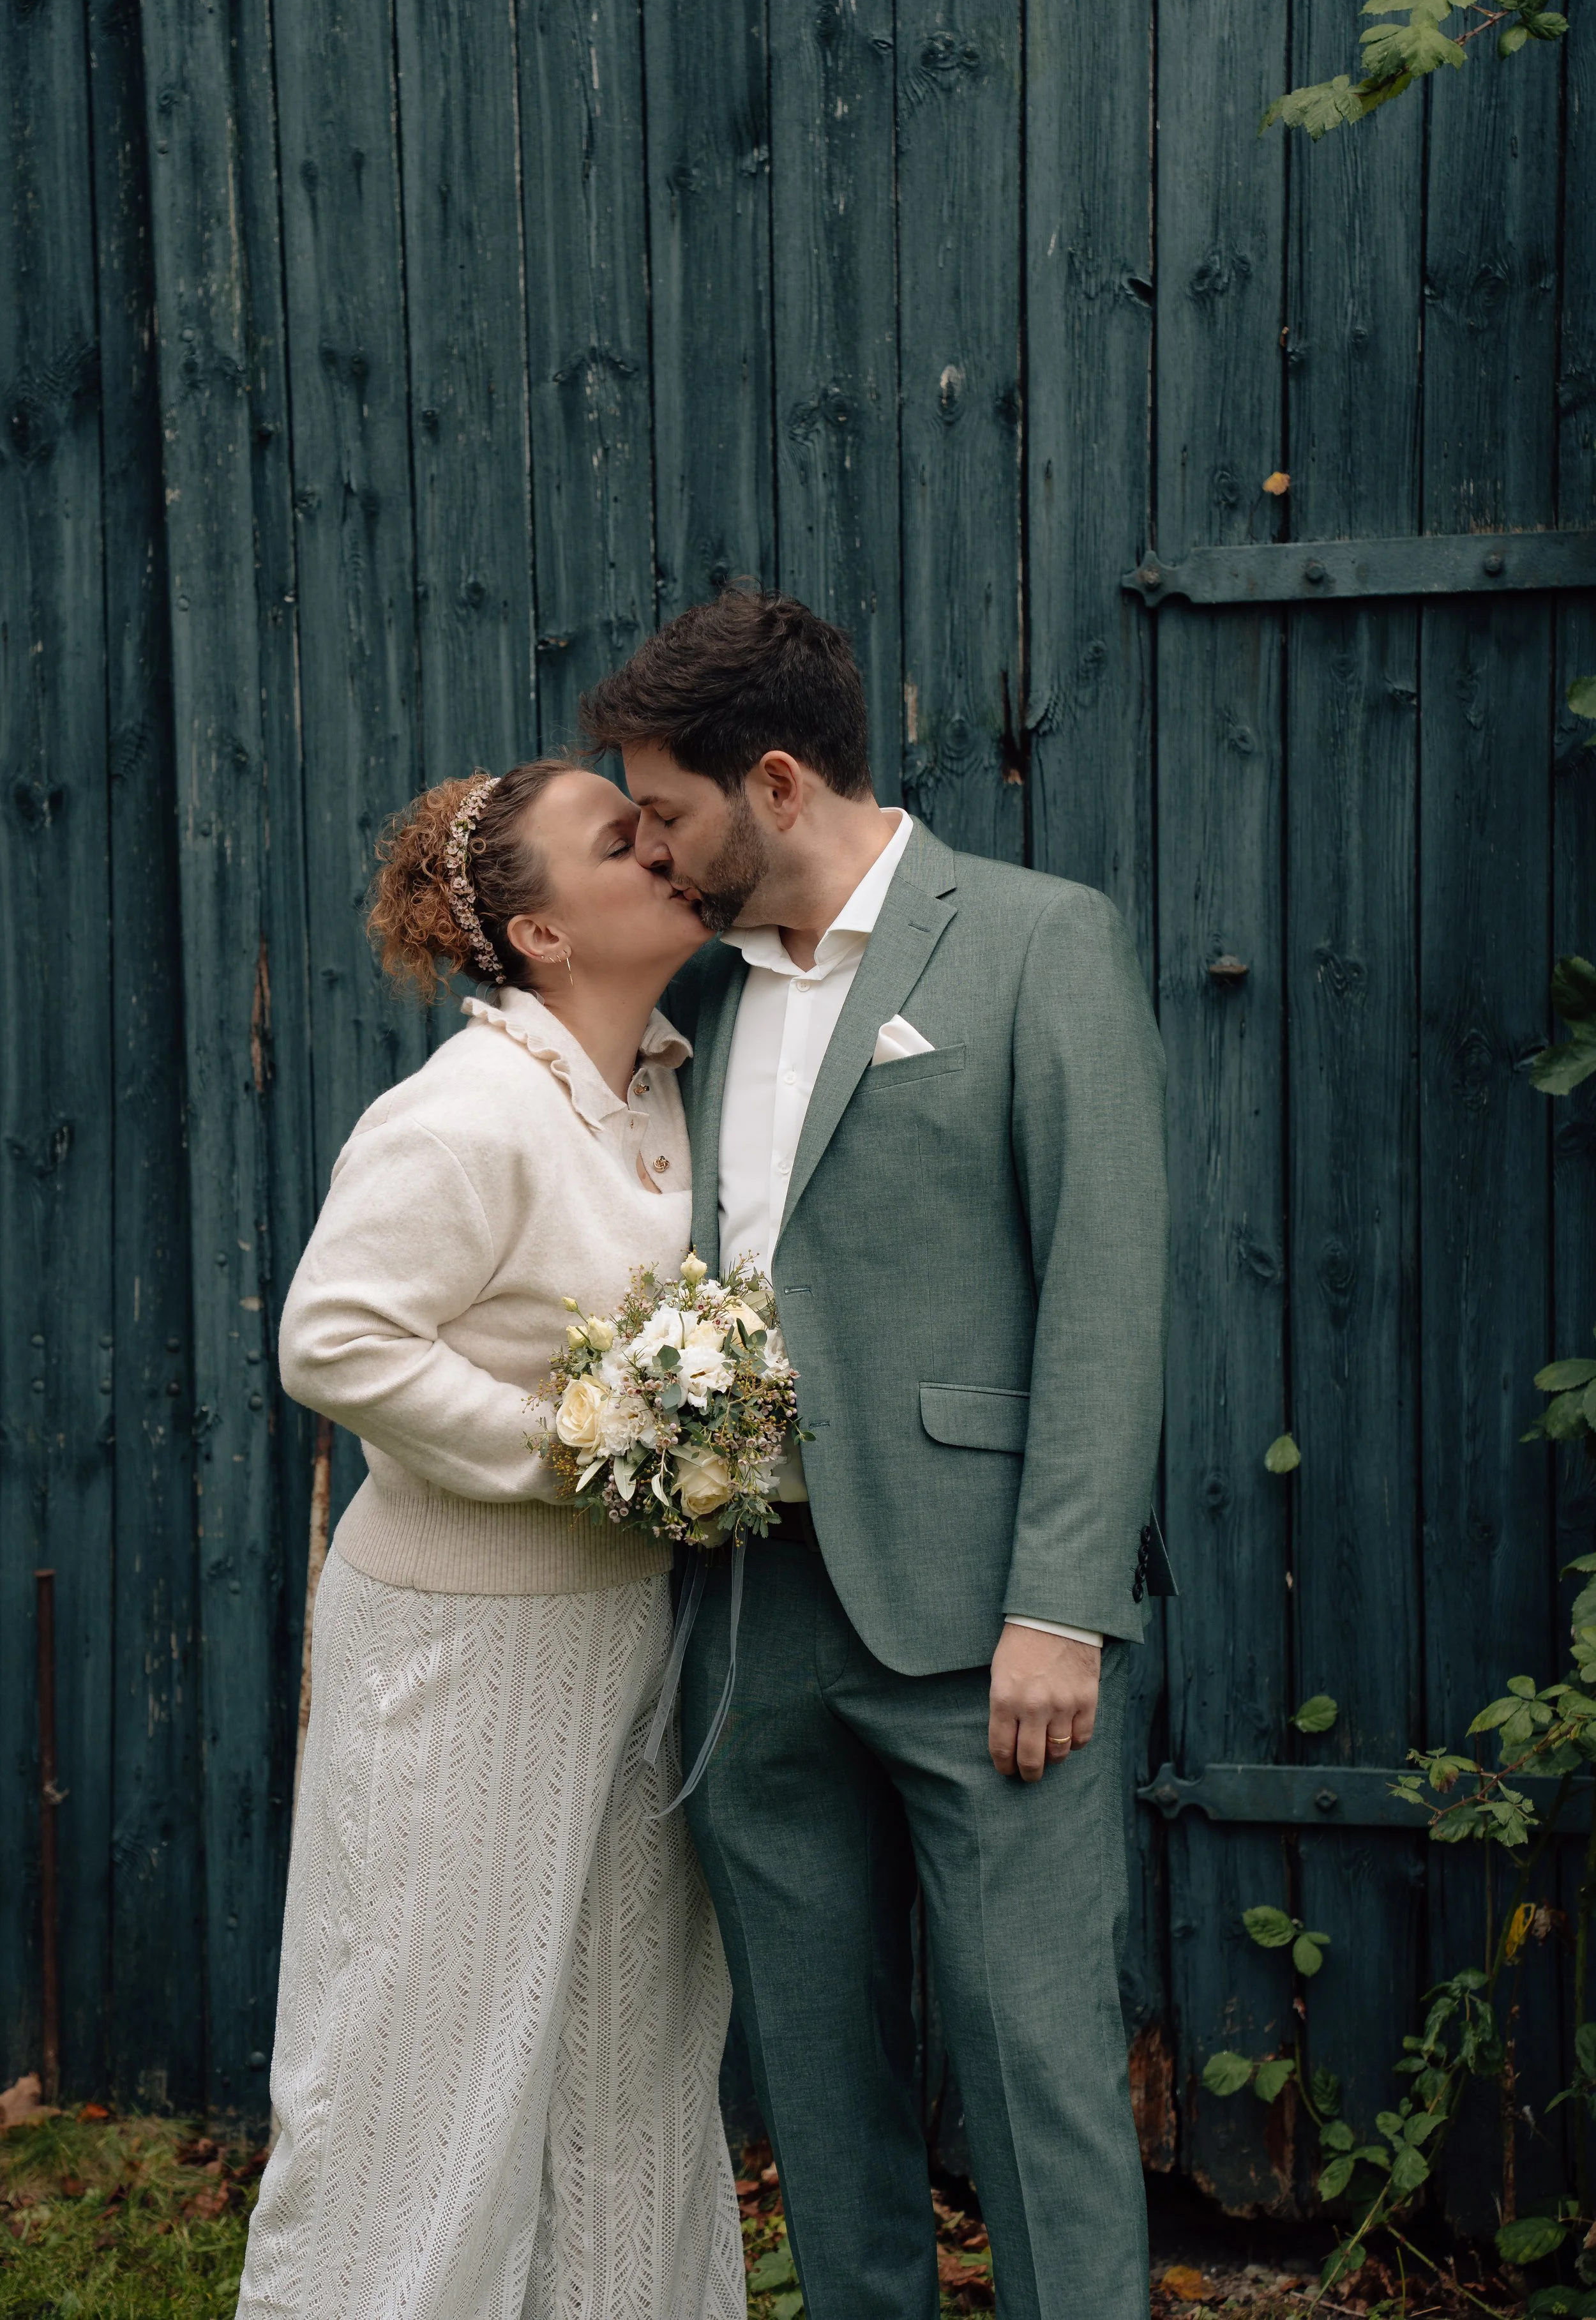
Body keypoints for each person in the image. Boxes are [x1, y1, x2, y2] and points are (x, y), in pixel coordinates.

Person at [582, 588, 1171, 2320]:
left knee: (1032, 2071)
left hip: (981, 1623)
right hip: (749, 1622)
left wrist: (1060, 1602)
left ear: (773, 780)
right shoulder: (688, 992)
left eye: (665, 811)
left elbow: (1104, 1282)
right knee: (819, 2104)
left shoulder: (1033, 938)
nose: (647, 849)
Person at [236, 761, 744, 2320]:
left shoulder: (666, 1076)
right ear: (536, 933)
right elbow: (334, 1343)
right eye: (620, 838)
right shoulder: (465, 1110)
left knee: (628, 2067)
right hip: (460, 1652)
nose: (664, 846)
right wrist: (578, 1453)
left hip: (631, 1641)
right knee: (419, 2065)